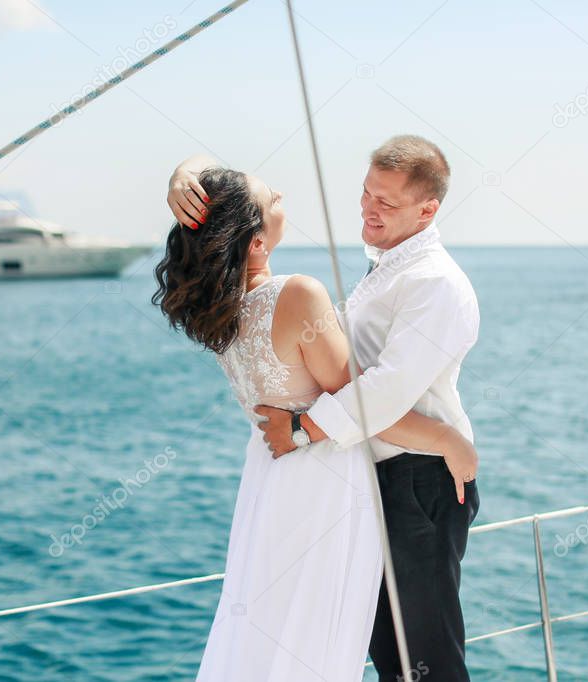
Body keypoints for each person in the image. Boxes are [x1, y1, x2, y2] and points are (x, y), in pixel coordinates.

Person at [155, 155, 478, 681]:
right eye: (272, 200)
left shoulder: (223, 304)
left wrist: (183, 173)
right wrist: (447, 438)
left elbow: (360, 397)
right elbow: (368, 401)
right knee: (345, 640)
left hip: (274, 481)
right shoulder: (297, 294)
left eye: (386, 200)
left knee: (291, 629)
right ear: (256, 242)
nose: (282, 195)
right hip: (326, 480)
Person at [256, 135, 481, 682]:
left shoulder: (434, 282)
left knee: (428, 659)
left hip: (420, 482)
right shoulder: (387, 269)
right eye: (366, 193)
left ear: (428, 209)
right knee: (388, 652)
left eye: (387, 202)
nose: (369, 209)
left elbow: (386, 387)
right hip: (379, 478)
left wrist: (303, 430)